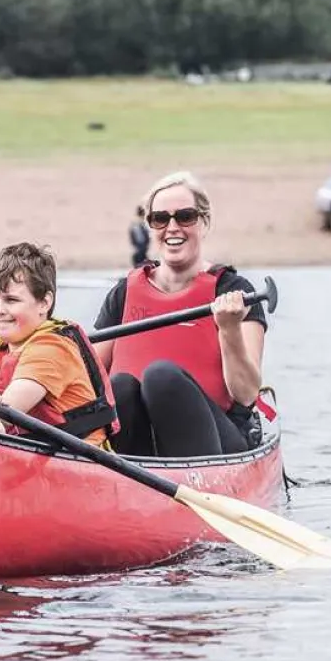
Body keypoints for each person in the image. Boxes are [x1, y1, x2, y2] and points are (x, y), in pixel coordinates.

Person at [92, 171, 267, 458]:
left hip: (218, 444)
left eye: (185, 216)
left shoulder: (234, 292)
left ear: (204, 222)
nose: (172, 227)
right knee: (119, 386)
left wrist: (229, 329)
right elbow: (88, 379)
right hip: (139, 451)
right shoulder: (123, 293)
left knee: (161, 377)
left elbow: (246, 394)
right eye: (160, 219)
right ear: (150, 226)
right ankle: (127, 476)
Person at [0, 242, 119, 447]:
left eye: (11, 300)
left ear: (44, 303)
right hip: (32, 454)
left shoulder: (52, 347)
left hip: (79, 460)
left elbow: (7, 412)